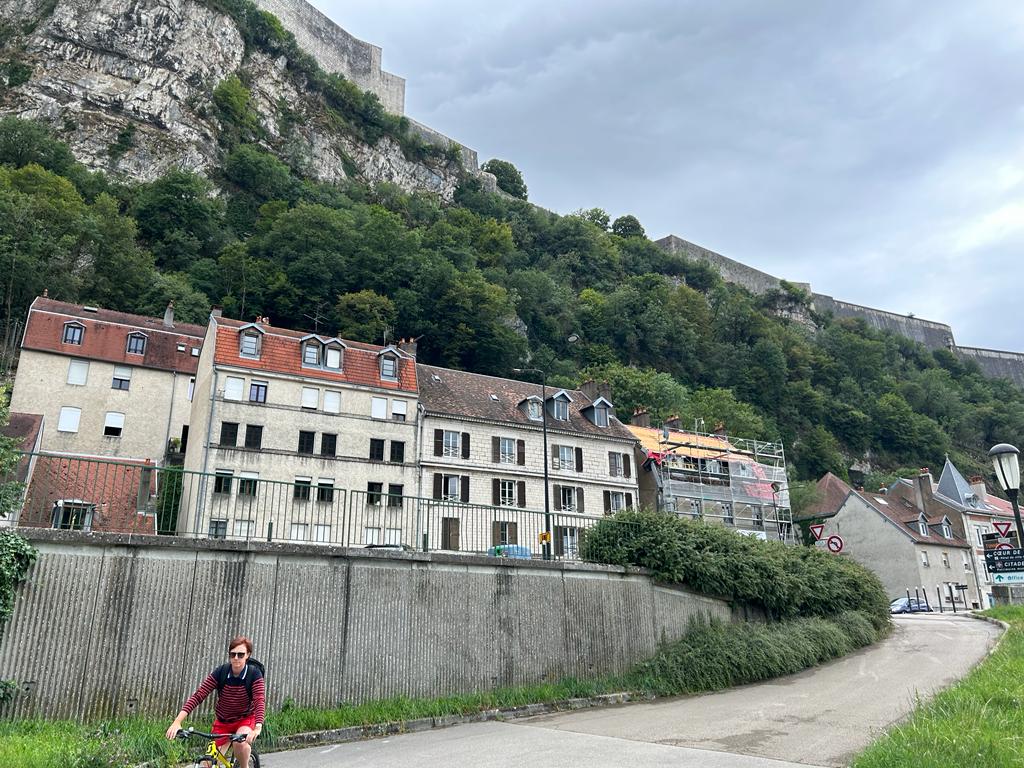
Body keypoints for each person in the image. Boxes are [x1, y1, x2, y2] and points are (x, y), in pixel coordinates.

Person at [166, 635, 265, 767]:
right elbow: (199, 695)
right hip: (223, 722)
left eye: (240, 655)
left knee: (240, 743)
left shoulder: (254, 674)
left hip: (244, 719)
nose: (236, 658)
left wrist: (257, 727)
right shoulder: (222, 672)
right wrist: (177, 722)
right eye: (232, 654)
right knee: (208, 764)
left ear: (248, 655)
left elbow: (259, 700)